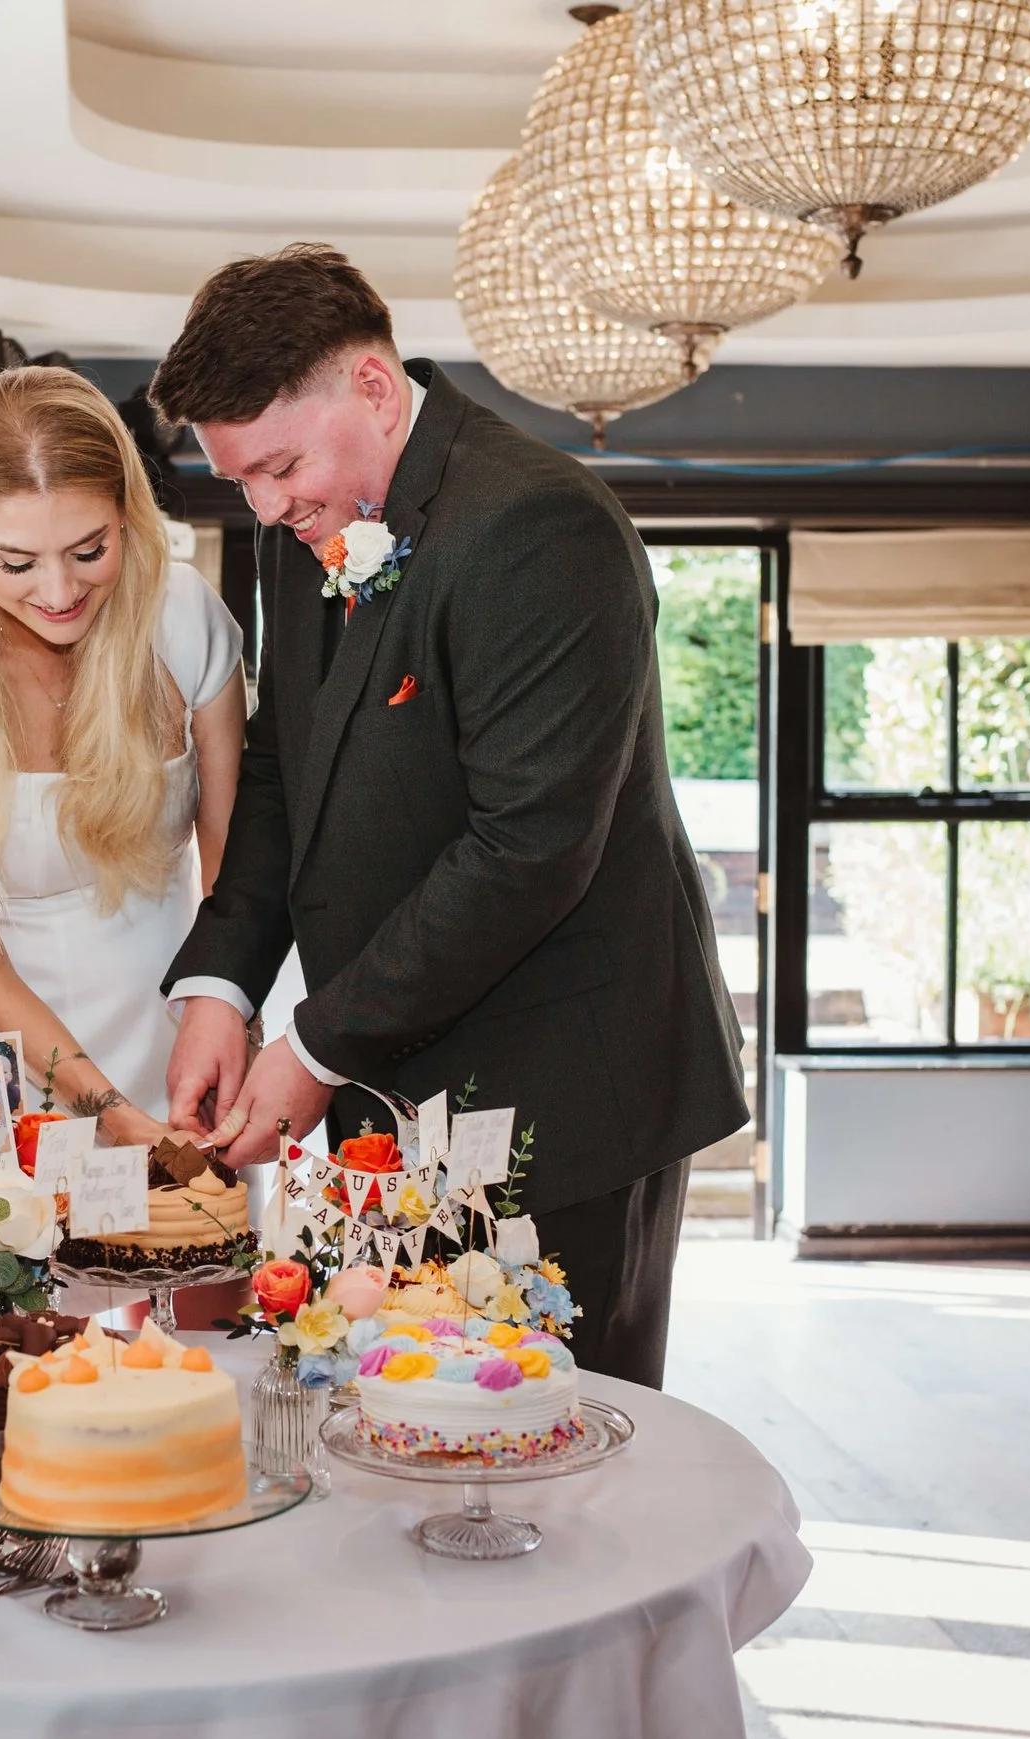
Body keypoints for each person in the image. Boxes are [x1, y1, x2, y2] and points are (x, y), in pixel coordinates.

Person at [150, 245, 746, 1390]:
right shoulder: (301, 532)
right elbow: (284, 770)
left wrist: (315, 1044)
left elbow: (528, 847)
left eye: (278, 465)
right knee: (402, 1416)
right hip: (401, 1087)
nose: (268, 508)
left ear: (372, 389)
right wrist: (220, 983)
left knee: (553, 1439)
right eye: (241, 483)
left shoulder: (539, 527)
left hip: (567, 1088)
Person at [0, 366, 246, 1157]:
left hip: (184, 1031)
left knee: (204, 1267)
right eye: (18, 563)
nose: (60, 591)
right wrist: (112, 1112)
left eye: (89, 550)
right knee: (28, 1265)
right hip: (9, 1047)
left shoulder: (184, 617)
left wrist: (232, 1013)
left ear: (128, 518)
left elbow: (230, 869)